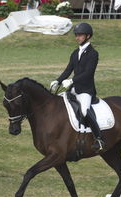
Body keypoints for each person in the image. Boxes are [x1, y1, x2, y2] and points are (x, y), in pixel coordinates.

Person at [50, 22, 105, 152]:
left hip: (86, 90)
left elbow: (88, 73)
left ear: (87, 36)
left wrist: (72, 80)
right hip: (73, 89)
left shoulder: (93, 54)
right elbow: (68, 69)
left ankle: (99, 138)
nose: (77, 38)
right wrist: (58, 81)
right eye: (76, 35)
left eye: (80, 35)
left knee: (85, 111)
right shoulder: (75, 53)